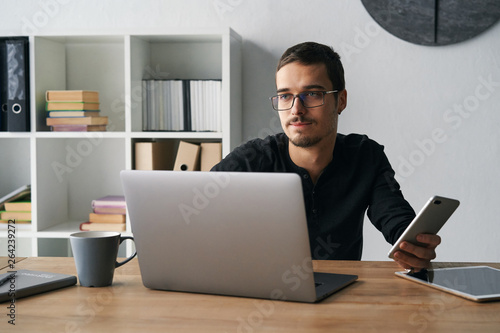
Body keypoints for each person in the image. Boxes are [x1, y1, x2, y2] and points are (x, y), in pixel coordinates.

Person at [211, 41, 441, 271]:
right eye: (285, 96)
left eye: (311, 94)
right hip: (263, 294)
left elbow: (395, 217)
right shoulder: (253, 159)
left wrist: (413, 245)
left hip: (340, 296)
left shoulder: (365, 155)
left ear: (340, 100)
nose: (296, 109)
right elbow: (197, 211)